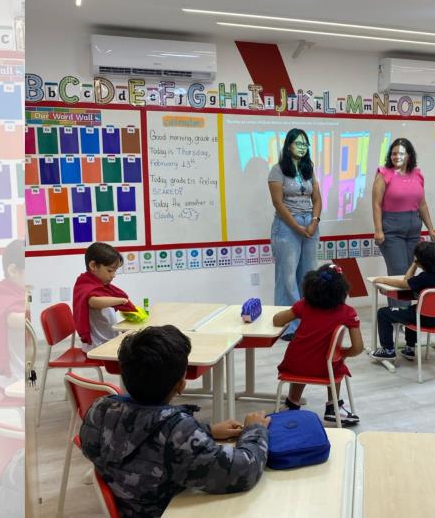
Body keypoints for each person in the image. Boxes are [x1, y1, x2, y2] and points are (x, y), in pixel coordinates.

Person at [80, 325, 271, 517]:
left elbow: (143, 435)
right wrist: (255, 429)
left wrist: (206, 431)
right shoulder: (177, 432)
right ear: (181, 385)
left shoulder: (99, 409)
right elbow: (243, 471)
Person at [273, 264, 364, 426]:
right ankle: (333, 408)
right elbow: (358, 348)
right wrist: (341, 353)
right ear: (342, 289)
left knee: (304, 358)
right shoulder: (348, 312)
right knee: (335, 361)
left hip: (294, 365)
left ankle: (292, 402)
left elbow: (277, 320)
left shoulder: (303, 305)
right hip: (325, 369)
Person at [268, 128, 322, 340]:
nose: (302, 147)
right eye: (298, 143)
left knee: (308, 275)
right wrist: (297, 227)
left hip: (310, 223)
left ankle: (306, 322)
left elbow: (317, 198)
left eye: (305, 144)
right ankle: (288, 326)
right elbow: (278, 203)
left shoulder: (309, 169)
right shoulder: (277, 170)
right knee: (287, 277)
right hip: (286, 226)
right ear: (288, 145)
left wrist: (314, 222)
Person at [372, 138, 435, 307]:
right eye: (393, 153)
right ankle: (398, 312)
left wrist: (431, 229)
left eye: (401, 153)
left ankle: (408, 311)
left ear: (409, 155)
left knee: (411, 271)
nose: (397, 157)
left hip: (414, 230)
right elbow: (376, 204)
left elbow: (422, 204)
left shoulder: (417, 174)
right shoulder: (383, 174)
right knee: (399, 272)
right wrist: (378, 230)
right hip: (391, 230)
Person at [369, 241, 435, 361]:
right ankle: (409, 348)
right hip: (434, 318)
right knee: (412, 310)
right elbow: (409, 283)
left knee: (383, 313)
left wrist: (383, 280)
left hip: (422, 319)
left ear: (421, 262)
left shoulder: (423, 278)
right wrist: (416, 263)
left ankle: (388, 350)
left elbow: (405, 282)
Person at [72, 242, 137, 353]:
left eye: (115, 271)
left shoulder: (101, 285)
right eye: (110, 270)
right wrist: (121, 301)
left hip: (106, 338)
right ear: (93, 266)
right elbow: (93, 301)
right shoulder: (85, 284)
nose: (113, 275)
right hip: (96, 345)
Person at [0, 239, 27, 389]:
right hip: (16, 378)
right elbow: (16, 319)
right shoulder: (2, 294)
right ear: (13, 271)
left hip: (26, 369)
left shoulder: (21, 291)